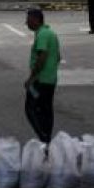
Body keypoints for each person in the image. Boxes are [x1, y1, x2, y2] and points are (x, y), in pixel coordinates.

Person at [24, 8, 61, 144]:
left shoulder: (43, 35)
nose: (26, 23)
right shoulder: (50, 33)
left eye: (28, 20)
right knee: (46, 109)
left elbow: (42, 56)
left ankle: (44, 137)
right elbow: (58, 57)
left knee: (31, 108)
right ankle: (46, 138)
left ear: (35, 20)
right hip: (50, 79)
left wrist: (32, 78)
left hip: (40, 80)